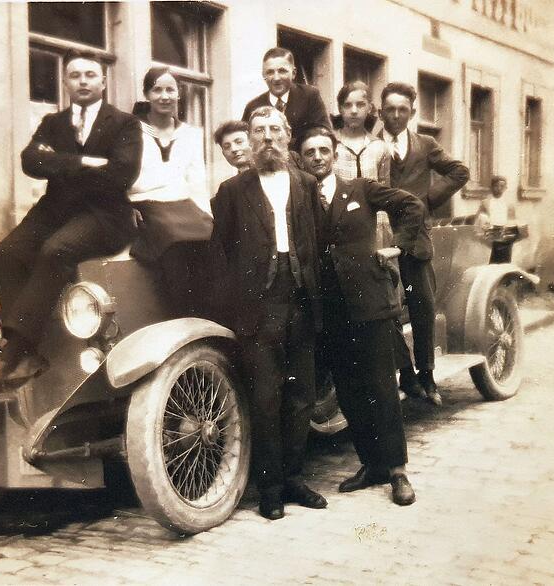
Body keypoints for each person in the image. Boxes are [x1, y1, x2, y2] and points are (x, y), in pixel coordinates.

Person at [0, 50, 142, 381]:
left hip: (105, 214)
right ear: (65, 81)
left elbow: (122, 174)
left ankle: (14, 350)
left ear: (103, 81)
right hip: (55, 210)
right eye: (75, 75)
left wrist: (58, 162)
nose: (83, 81)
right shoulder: (52, 123)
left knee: (56, 250)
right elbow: (29, 161)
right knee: (6, 254)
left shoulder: (125, 123)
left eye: (90, 75)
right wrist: (83, 162)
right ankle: (28, 355)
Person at [211, 106, 326, 520]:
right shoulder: (232, 191)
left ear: (288, 134)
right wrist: (236, 309)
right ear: (251, 138)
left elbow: (319, 245)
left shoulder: (307, 184)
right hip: (259, 307)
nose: (267, 137)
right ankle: (270, 489)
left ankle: (295, 479)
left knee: (300, 398)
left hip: (302, 301)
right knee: (266, 398)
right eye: (259, 131)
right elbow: (220, 255)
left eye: (275, 129)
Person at [300, 125, 424, 506]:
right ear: (302, 159)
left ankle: (398, 472)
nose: (318, 156)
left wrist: (397, 248)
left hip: (369, 304)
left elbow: (412, 206)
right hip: (330, 309)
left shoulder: (361, 189)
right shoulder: (300, 198)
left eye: (324, 149)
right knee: (350, 392)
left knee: (382, 388)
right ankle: (371, 464)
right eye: (310, 152)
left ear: (335, 153)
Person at [379, 82, 470, 406]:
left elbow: (460, 171)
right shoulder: (373, 146)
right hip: (382, 235)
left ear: (412, 112)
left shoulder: (425, 144)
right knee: (386, 308)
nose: (395, 115)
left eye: (402, 109)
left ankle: (428, 375)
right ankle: (406, 372)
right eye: (389, 109)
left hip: (416, 236)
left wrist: (428, 200)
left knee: (423, 306)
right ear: (380, 112)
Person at [128, 66, 212, 265]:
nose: (164, 96)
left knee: (211, 240)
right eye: (157, 90)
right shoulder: (131, 130)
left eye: (170, 90)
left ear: (179, 93)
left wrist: (207, 216)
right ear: (146, 94)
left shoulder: (190, 134)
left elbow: (197, 182)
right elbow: (117, 174)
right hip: (145, 206)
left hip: (184, 206)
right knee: (174, 243)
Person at [242, 47, 331, 149]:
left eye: (282, 71)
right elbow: (245, 141)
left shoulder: (309, 96)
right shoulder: (253, 107)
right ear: (263, 75)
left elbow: (324, 134)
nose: (276, 78)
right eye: (270, 72)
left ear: (293, 73)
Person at [477, 175, 517, 264]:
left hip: (504, 236)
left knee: (504, 263)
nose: (499, 188)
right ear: (491, 187)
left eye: (502, 186)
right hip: (490, 237)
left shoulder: (509, 204)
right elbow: (480, 219)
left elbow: (512, 221)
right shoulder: (485, 203)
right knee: (491, 262)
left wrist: (509, 234)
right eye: (496, 186)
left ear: (505, 188)